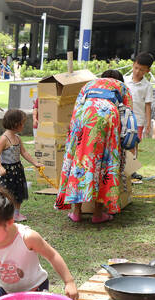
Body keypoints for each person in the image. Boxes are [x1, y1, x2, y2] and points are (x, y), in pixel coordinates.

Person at [56, 70, 132, 224]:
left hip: (83, 116)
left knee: (79, 159)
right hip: (107, 116)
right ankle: (98, 213)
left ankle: (76, 212)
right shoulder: (122, 86)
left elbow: (77, 107)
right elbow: (129, 115)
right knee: (105, 161)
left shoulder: (89, 84)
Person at [0, 110, 41, 222]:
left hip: (17, 171)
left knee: (18, 193)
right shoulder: (4, 138)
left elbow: (24, 152)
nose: (23, 125)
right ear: (15, 124)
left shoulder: (17, 138)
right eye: (22, 123)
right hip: (5, 172)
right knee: (3, 193)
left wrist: (35, 163)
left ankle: (16, 214)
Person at [124, 52, 155, 180]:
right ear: (133, 65)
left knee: (133, 145)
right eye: (136, 68)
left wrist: (148, 123)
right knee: (123, 143)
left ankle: (132, 170)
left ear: (147, 71)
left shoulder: (147, 86)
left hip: (138, 120)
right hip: (124, 117)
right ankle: (122, 168)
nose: (137, 71)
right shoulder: (124, 80)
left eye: (141, 70)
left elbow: (148, 105)